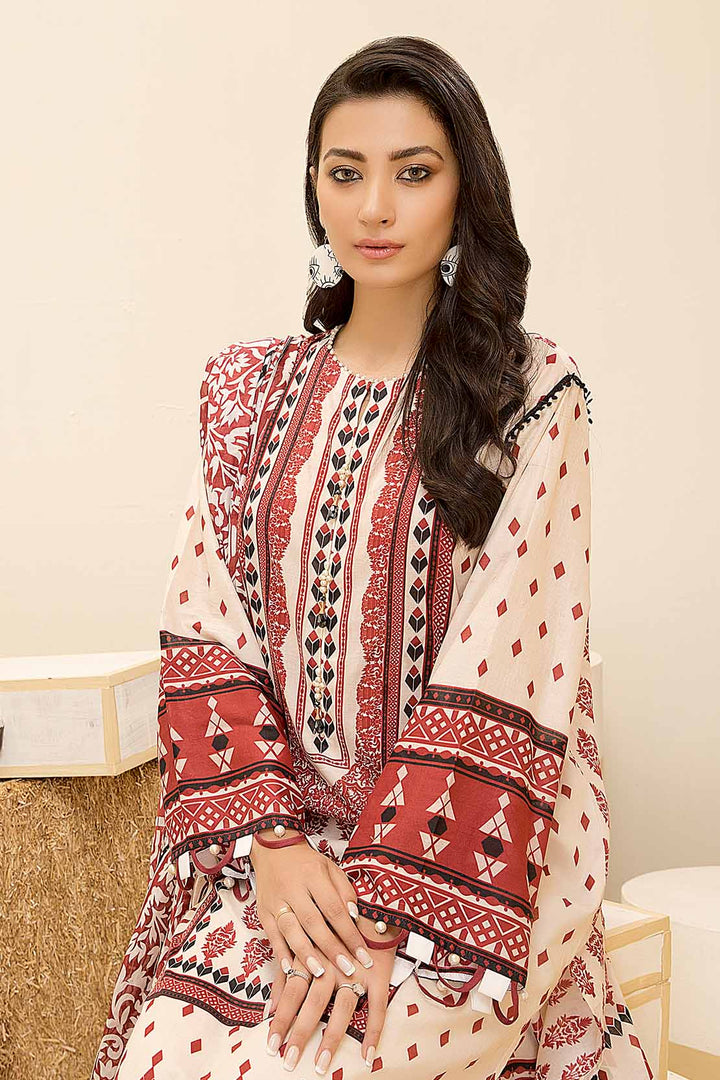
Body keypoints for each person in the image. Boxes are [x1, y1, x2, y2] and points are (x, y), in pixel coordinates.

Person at [92, 34, 654, 1080]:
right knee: (167, 1058)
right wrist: (270, 846)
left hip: (471, 864)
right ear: (314, 189)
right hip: (281, 850)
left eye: (414, 172)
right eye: (346, 174)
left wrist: (393, 911)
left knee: (323, 1061)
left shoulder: (534, 397)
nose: (375, 209)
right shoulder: (246, 392)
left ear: (465, 189)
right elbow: (207, 628)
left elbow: (506, 664)